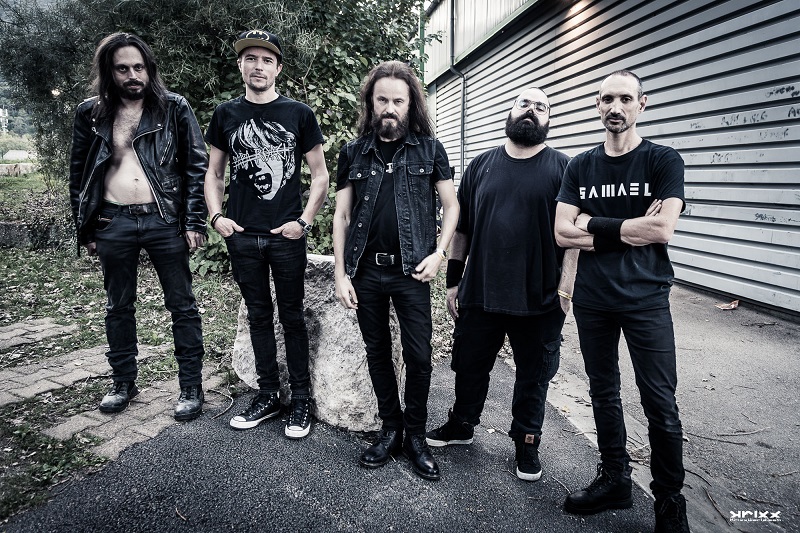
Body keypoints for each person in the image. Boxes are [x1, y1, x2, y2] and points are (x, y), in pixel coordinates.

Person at [554, 70, 690, 532]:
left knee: (660, 401)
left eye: (625, 99)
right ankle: (615, 479)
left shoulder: (662, 160)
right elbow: (561, 232)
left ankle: (669, 500)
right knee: (603, 391)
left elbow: (662, 229)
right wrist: (630, 229)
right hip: (594, 299)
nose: (616, 107)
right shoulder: (581, 166)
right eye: (607, 99)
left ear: (641, 104)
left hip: (646, 297)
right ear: (598, 105)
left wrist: (591, 223)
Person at [425, 88, 574, 483]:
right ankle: (461, 424)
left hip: (540, 296)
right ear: (510, 111)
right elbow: (462, 229)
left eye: (541, 107)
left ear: (548, 120)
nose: (531, 111)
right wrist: (453, 282)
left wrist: (566, 288)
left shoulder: (564, 168)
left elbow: (574, 235)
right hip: (481, 291)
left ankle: (526, 442)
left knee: (534, 376)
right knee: (469, 366)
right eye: (524, 104)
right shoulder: (481, 165)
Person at [69, 33, 208, 421]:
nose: (132, 75)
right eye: (123, 69)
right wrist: (87, 229)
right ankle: (123, 383)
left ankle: (191, 386)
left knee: (182, 304)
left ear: (149, 69)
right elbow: (79, 175)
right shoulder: (90, 113)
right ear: (109, 72)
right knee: (118, 306)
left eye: (138, 67)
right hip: (112, 219)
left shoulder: (173, 108)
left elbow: (196, 166)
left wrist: (194, 220)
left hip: (163, 219)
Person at [333, 61, 459, 481]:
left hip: (412, 272)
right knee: (377, 352)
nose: (390, 107)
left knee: (419, 355)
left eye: (398, 101)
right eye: (382, 99)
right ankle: (391, 429)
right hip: (366, 271)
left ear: (411, 104)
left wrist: (439, 253)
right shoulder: (352, 152)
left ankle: (416, 436)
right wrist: (340, 274)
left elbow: (452, 206)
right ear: (371, 103)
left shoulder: (430, 149)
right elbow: (342, 216)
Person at [205, 30, 329, 439]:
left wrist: (303, 222)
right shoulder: (225, 114)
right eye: (250, 58)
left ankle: (302, 400)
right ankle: (268, 394)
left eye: (266, 60)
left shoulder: (299, 114)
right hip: (242, 236)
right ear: (241, 65)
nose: (258, 66)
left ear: (278, 68)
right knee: (258, 316)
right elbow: (214, 173)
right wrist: (216, 216)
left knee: (292, 316)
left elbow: (320, 175)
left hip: (286, 237)